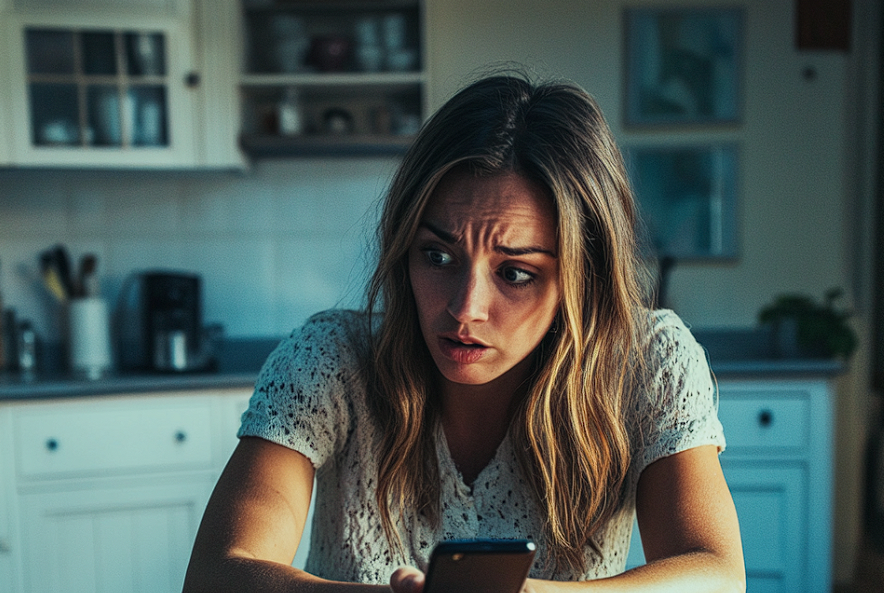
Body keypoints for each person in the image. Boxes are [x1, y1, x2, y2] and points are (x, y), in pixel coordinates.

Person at [183, 72, 744, 593]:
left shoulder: (649, 363)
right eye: (437, 255)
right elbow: (215, 575)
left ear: (582, 276)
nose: (464, 308)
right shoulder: (329, 360)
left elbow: (717, 574)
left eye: (515, 273)